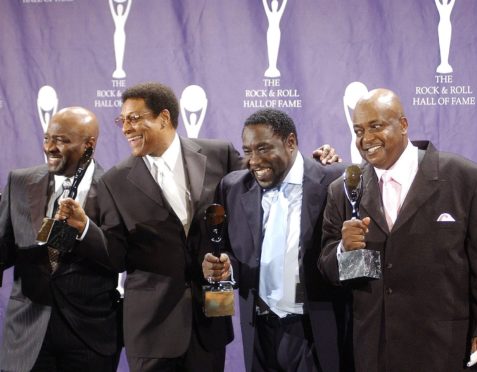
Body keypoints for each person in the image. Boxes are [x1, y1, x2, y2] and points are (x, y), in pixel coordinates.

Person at [57, 82, 340, 372]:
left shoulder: (218, 154)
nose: (125, 128)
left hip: (210, 322)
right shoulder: (114, 181)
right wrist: (84, 228)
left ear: (164, 118)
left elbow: (267, 169)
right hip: (152, 326)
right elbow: (116, 256)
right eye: (122, 120)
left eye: (134, 118)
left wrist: (315, 165)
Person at [318, 88, 477, 372]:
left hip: (444, 346)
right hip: (375, 350)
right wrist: (343, 250)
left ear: (403, 125)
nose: (366, 139)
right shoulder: (342, 190)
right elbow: (327, 267)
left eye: (376, 126)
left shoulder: (467, 179)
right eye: (358, 130)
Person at [202, 109, 352, 372]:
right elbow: (231, 254)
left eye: (263, 148)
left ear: (290, 142)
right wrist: (225, 268)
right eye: (247, 151)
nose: (254, 160)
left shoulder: (333, 180)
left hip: (313, 329)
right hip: (259, 330)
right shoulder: (233, 187)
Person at [0, 107, 121, 371]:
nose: (50, 147)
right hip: (27, 332)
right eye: (47, 138)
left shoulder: (116, 186)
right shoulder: (19, 181)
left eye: (62, 140)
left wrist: (85, 228)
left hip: (89, 334)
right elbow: (4, 248)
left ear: (89, 145)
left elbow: (119, 258)